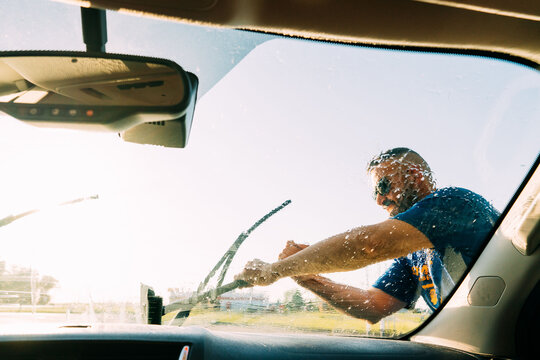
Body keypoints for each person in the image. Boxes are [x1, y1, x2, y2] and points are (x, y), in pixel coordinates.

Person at [235, 147, 500, 323]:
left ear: (416, 176)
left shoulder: (454, 202)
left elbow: (369, 244)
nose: (380, 200)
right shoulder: (412, 254)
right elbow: (372, 305)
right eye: (375, 192)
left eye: (384, 186)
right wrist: (305, 278)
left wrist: (276, 270)